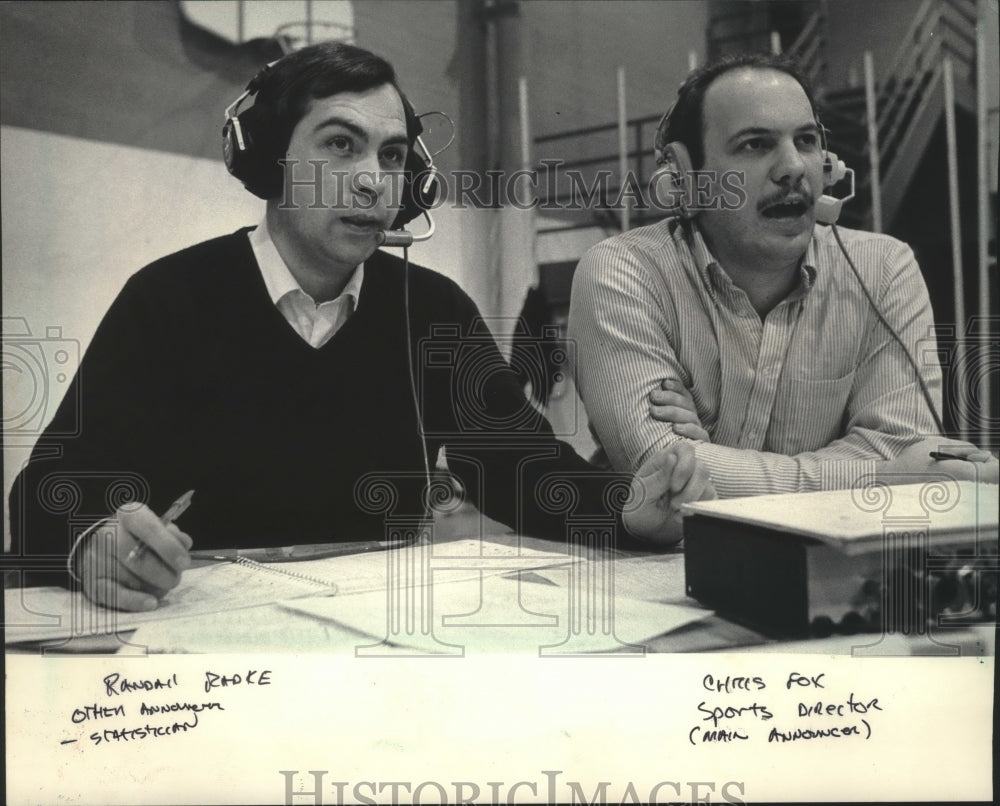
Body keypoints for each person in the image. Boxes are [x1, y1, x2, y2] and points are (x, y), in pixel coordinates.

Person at [8, 42, 714, 612]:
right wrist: (93, 538)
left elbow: (522, 472)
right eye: (340, 146)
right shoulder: (168, 299)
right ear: (271, 162)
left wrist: (627, 509)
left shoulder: (433, 309)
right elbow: (50, 487)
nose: (374, 180)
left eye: (393, 155)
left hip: (379, 634)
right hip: (205, 641)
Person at [568, 52, 998, 499]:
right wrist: (876, 477)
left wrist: (710, 456)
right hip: (667, 562)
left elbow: (904, 448)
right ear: (686, 178)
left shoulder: (884, 270)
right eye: (756, 144)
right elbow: (662, 473)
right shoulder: (623, 273)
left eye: (807, 141)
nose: (793, 167)